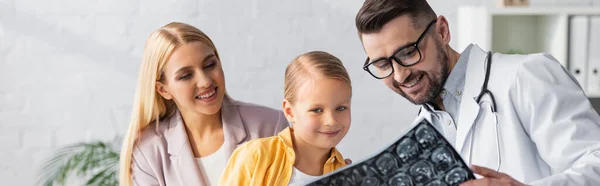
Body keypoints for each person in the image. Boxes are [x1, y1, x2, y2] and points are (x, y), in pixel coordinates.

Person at [354, 0, 600, 185]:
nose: (399, 76)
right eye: (383, 65)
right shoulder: (418, 133)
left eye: (408, 53)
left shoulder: (526, 75)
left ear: (442, 31)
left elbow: (595, 164)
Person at [118, 22, 288, 186]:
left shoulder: (271, 126)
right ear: (163, 90)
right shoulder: (149, 151)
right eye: (185, 75)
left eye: (209, 65)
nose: (205, 81)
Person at [218, 51, 352, 185]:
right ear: (289, 111)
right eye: (317, 110)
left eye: (341, 108)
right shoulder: (255, 156)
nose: (331, 121)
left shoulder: (347, 175)